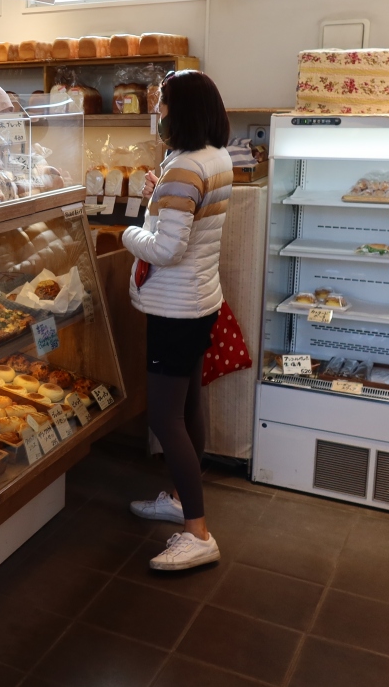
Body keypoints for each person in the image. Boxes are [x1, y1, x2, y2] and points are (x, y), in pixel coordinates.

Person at [121, 70, 232, 571]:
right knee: (188, 406)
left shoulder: (184, 166)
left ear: (179, 111)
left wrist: (129, 233)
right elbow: (188, 215)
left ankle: (198, 534)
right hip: (199, 301)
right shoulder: (214, 157)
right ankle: (183, 500)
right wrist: (160, 194)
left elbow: (167, 249)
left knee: (165, 417)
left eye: (161, 104)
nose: (157, 112)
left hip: (175, 307)